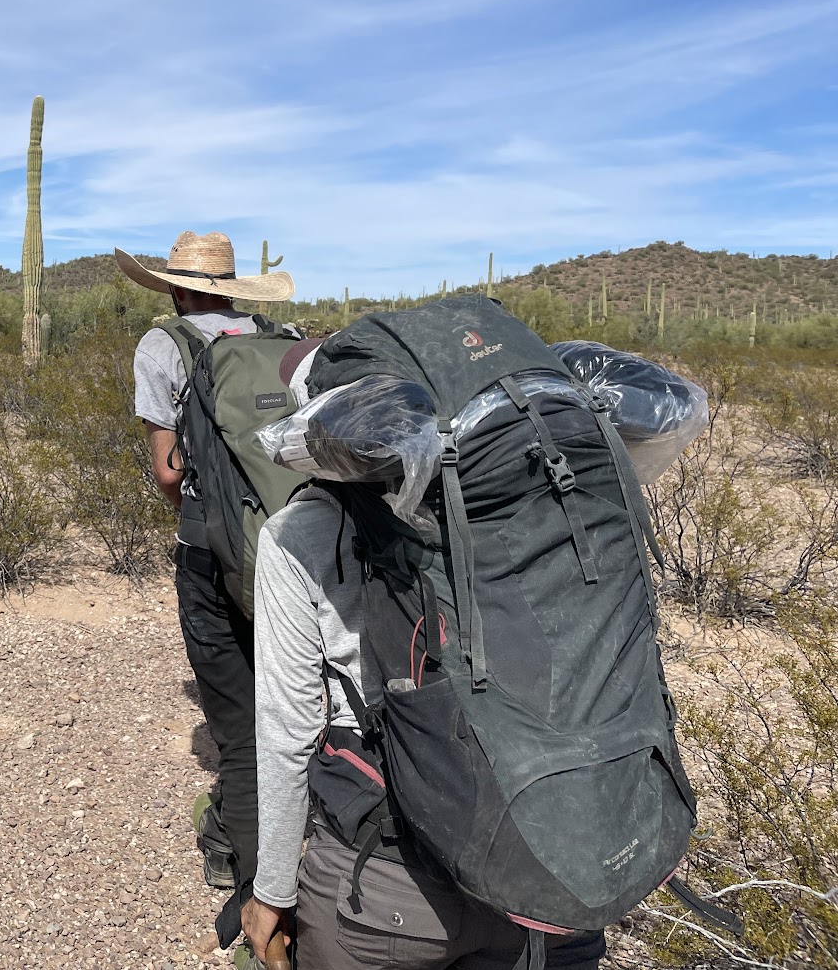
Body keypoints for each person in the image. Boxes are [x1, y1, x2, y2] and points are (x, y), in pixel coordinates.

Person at [240, 343, 607, 970]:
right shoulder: (526, 505)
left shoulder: (297, 535)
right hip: (538, 860)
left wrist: (272, 890)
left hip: (383, 883)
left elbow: (288, 732)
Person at [115, 230, 301, 953]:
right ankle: (248, 832)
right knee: (296, 711)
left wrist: (201, 518)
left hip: (212, 556)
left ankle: (265, 911)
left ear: (172, 287)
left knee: (242, 730)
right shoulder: (280, 340)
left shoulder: (164, 345)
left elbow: (168, 471)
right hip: (298, 550)